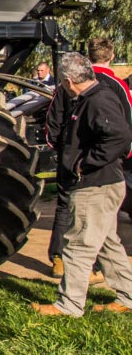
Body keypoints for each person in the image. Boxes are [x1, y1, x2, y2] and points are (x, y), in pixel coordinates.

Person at [32, 52, 132, 316]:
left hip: (95, 185)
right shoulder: (90, 98)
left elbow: (119, 136)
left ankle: (69, 305)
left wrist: (84, 164)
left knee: (78, 245)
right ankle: (128, 296)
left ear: (67, 80)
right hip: (103, 183)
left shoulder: (98, 100)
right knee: (108, 244)